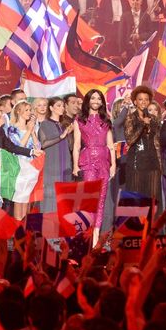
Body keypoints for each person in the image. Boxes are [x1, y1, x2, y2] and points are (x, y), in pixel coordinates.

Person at [71, 89, 115, 247]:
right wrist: (75, 165)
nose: (96, 101)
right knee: (90, 200)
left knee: (101, 200)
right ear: (88, 100)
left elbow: (111, 146)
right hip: (88, 161)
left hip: (104, 162)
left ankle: (96, 238)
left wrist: (113, 165)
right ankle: (87, 237)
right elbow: (76, 145)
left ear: (102, 102)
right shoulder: (79, 120)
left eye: (99, 99)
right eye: (93, 98)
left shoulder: (106, 120)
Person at [120, 86, 161, 202]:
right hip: (136, 164)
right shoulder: (130, 118)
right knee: (136, 199)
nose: (144, 102)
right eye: (140, 99)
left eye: (146, 99)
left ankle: (152, 220)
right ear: (135, 101)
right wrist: (142, 124)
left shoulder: (153, 119)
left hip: (153, 163)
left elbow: (157, 142)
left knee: (152, 199)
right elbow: (130, 139)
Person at [35, 97, 74, 212]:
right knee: (50, 194)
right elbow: (44, 143)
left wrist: (69, 134)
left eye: (62, 106)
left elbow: (70, 147)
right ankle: (48, 223)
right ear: (51, 108)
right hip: (51, 165)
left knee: (64, 195)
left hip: (65, 163)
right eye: (58, 105)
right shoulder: (45, 124)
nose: (62, 108)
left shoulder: (64, 124)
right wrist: (61, 136)